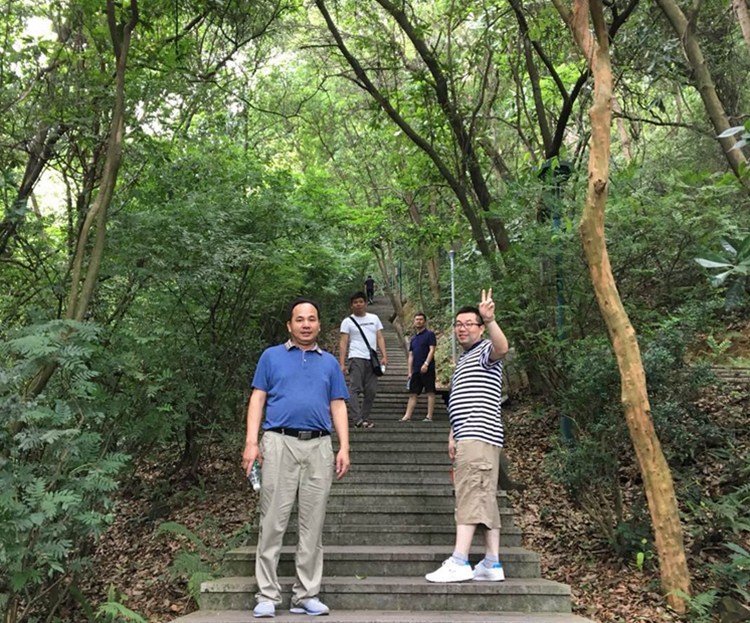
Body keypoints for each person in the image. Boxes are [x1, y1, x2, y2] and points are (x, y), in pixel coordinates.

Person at [242, 297, 351, 617]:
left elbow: (338, 405)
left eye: (311, 319)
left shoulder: (329, 363)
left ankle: (306, 594)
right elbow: (257, 398)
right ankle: (267, 595)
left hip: (319, 446)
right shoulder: (271, 356)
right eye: (299, 319)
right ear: (289, 325)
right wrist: (251, 443)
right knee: (272, 521)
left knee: (313, 524)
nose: (306, 324)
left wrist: (344, 446)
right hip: (278, 442)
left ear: (319, 324)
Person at [425, 288, 509, 584]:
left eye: (469, 324)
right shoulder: (464, 359)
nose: (462, 328)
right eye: (458, 324)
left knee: (470, 495)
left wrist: (491, 319)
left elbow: (502, 348)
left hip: (478, 436)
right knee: (484, 496)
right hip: (470, 434)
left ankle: (459, 561)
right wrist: (453, 432)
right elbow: (464, 400)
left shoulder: (485, 350)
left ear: (480, 328)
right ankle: (491, 563)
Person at [339, 291, 388, 429]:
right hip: (356, 357)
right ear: (351, 305)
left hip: (371, 359)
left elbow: (379, 337)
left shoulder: (374, 318)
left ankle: (364, 417)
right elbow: (343, 342)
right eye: (355, 302)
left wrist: (384, 355)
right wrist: (342, 363)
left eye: (361, 301)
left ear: (365, 303)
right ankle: (358, 420)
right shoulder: (347, 322)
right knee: (355, 388)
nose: (358, 304)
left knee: (371, 390)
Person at [399, 312, 437, 422]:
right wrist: (409, 371)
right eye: (417, 319)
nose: (419, 321)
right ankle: (407, 416)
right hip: (416, 369)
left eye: (421, 319)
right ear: (414, 322)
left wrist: (426, 363)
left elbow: (432, 349)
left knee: (430, 392)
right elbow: (411, 355)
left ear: (424, 322)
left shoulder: (429, 335)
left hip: (427, 368)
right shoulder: (413, 339)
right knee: (413, 393)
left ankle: (429, 416)